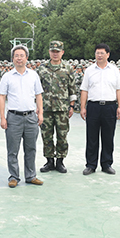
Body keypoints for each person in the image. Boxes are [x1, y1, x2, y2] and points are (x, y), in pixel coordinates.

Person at [0, 45, 44, 188]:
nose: (19, 58)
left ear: (26, 58)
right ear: (12, 59)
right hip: (13, 117)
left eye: (21, 55)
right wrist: (2, 117)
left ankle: (31, 176)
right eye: (16, 56)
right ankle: (14, 177)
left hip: (31, 117)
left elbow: (38, 95)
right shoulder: (7, 77)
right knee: (13, 150)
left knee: (31, 149)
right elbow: (2, 97)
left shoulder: (33, 75)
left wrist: (40, 113)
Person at [80, 43, 120, 175]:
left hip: (110, 106)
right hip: (93, 106)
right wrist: (82, 107)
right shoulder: (89, 70)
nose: (99, 55)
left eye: (102, 53)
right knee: (92, 137)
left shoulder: (114, 70)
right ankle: (91, 165)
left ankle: (106, 164)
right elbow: (84, 90)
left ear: (108, 55)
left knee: (108, 137)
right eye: (97, 53)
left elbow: (119, 89)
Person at [37, 41, 77, 173]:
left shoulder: (68, 68)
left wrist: (71, 106)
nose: (55, 54)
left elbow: (72, 89)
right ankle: (49, 161)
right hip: (46, 108)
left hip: (62, 109)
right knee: (46, 136)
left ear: (62, 52)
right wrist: (38, 107)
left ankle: (60, 161)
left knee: (62, 135)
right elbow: (37, 90)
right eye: (53, 51)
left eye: (57, 51)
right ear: (49, 52)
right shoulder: (42, 68)